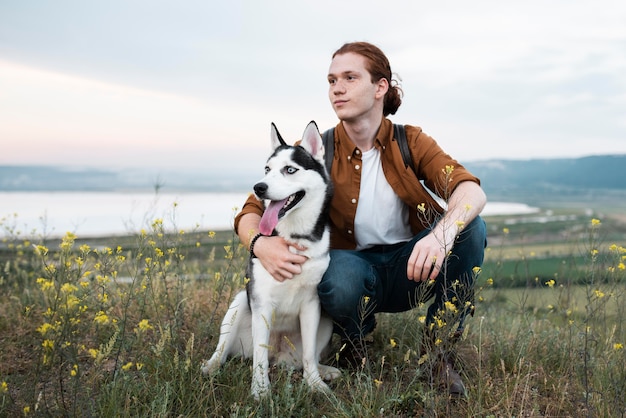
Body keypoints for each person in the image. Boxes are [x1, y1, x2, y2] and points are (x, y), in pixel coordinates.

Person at [233, 41, 487, 396]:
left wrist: (440, 235)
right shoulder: (312, 153)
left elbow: (471, 192)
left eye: (350, 77)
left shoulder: (410, 140)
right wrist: (261, 245)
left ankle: (438, 356)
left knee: (470, 228)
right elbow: (251, 210)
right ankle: (356, 343)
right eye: (332, 79)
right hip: (351, 269)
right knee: (338, 275)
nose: (337, 88)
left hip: (412, 264)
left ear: (380, 87)